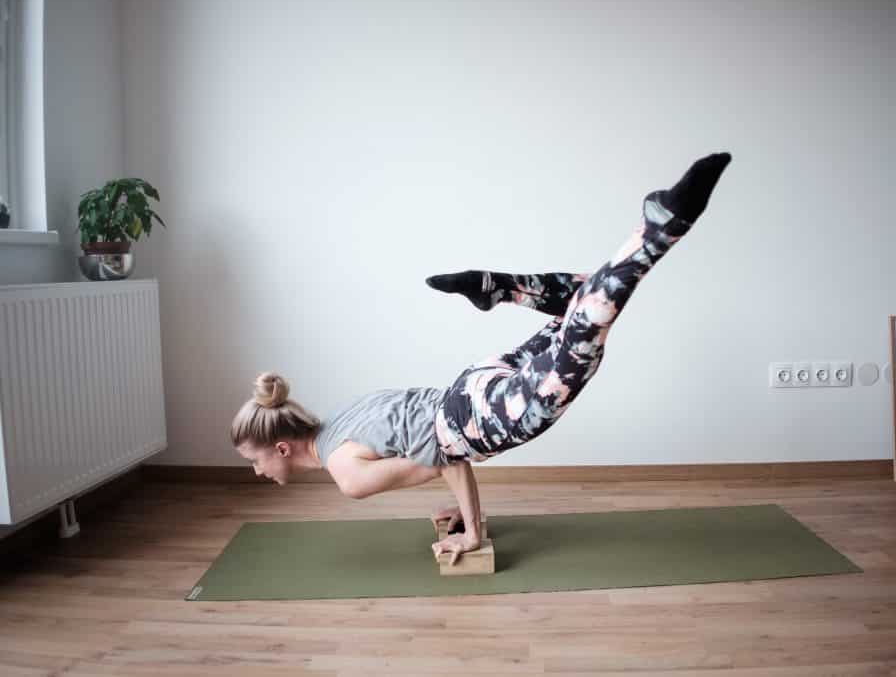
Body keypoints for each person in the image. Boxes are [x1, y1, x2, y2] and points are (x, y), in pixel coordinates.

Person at [231, 152, 732, 564]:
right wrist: (460, 511)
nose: (255, 472)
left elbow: (447, 456)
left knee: (584, 335)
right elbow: (431, 443)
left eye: (253, 461)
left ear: (279, 448)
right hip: (470, 386)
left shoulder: (348, 477)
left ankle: (660, 228)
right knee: (571, 316)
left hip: (481, 418)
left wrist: (472, 534)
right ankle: (503, 290)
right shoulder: (341, 419)